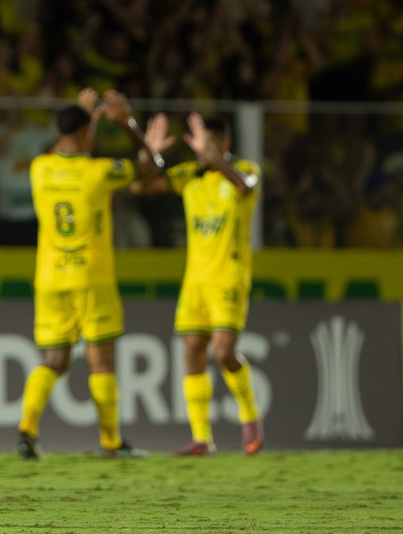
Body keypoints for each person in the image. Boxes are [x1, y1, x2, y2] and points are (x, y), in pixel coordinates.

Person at [15, 88, 165, 461]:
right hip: (91, 278)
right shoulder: (99, 172)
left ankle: (26, 431)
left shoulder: (40, 169)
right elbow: (151, 166)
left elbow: (63, 147)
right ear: (86, 134)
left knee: (53, 361)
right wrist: (127, 124)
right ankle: (111, 442)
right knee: (100, 362)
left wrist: (81, 120)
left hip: (50, 279)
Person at [146, 113, 264, 456]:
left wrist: (214, 159)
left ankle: (250, 418)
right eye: (199, 144)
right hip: (195, 280)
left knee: (224, 352)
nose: (202, 150)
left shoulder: (245, 170)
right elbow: (141, 186)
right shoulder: (190, 177)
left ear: (225, 143)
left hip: (229, 276)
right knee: (193, 352)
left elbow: (246, 186)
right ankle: (202, 438)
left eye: (210, 142)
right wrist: (149, 154)